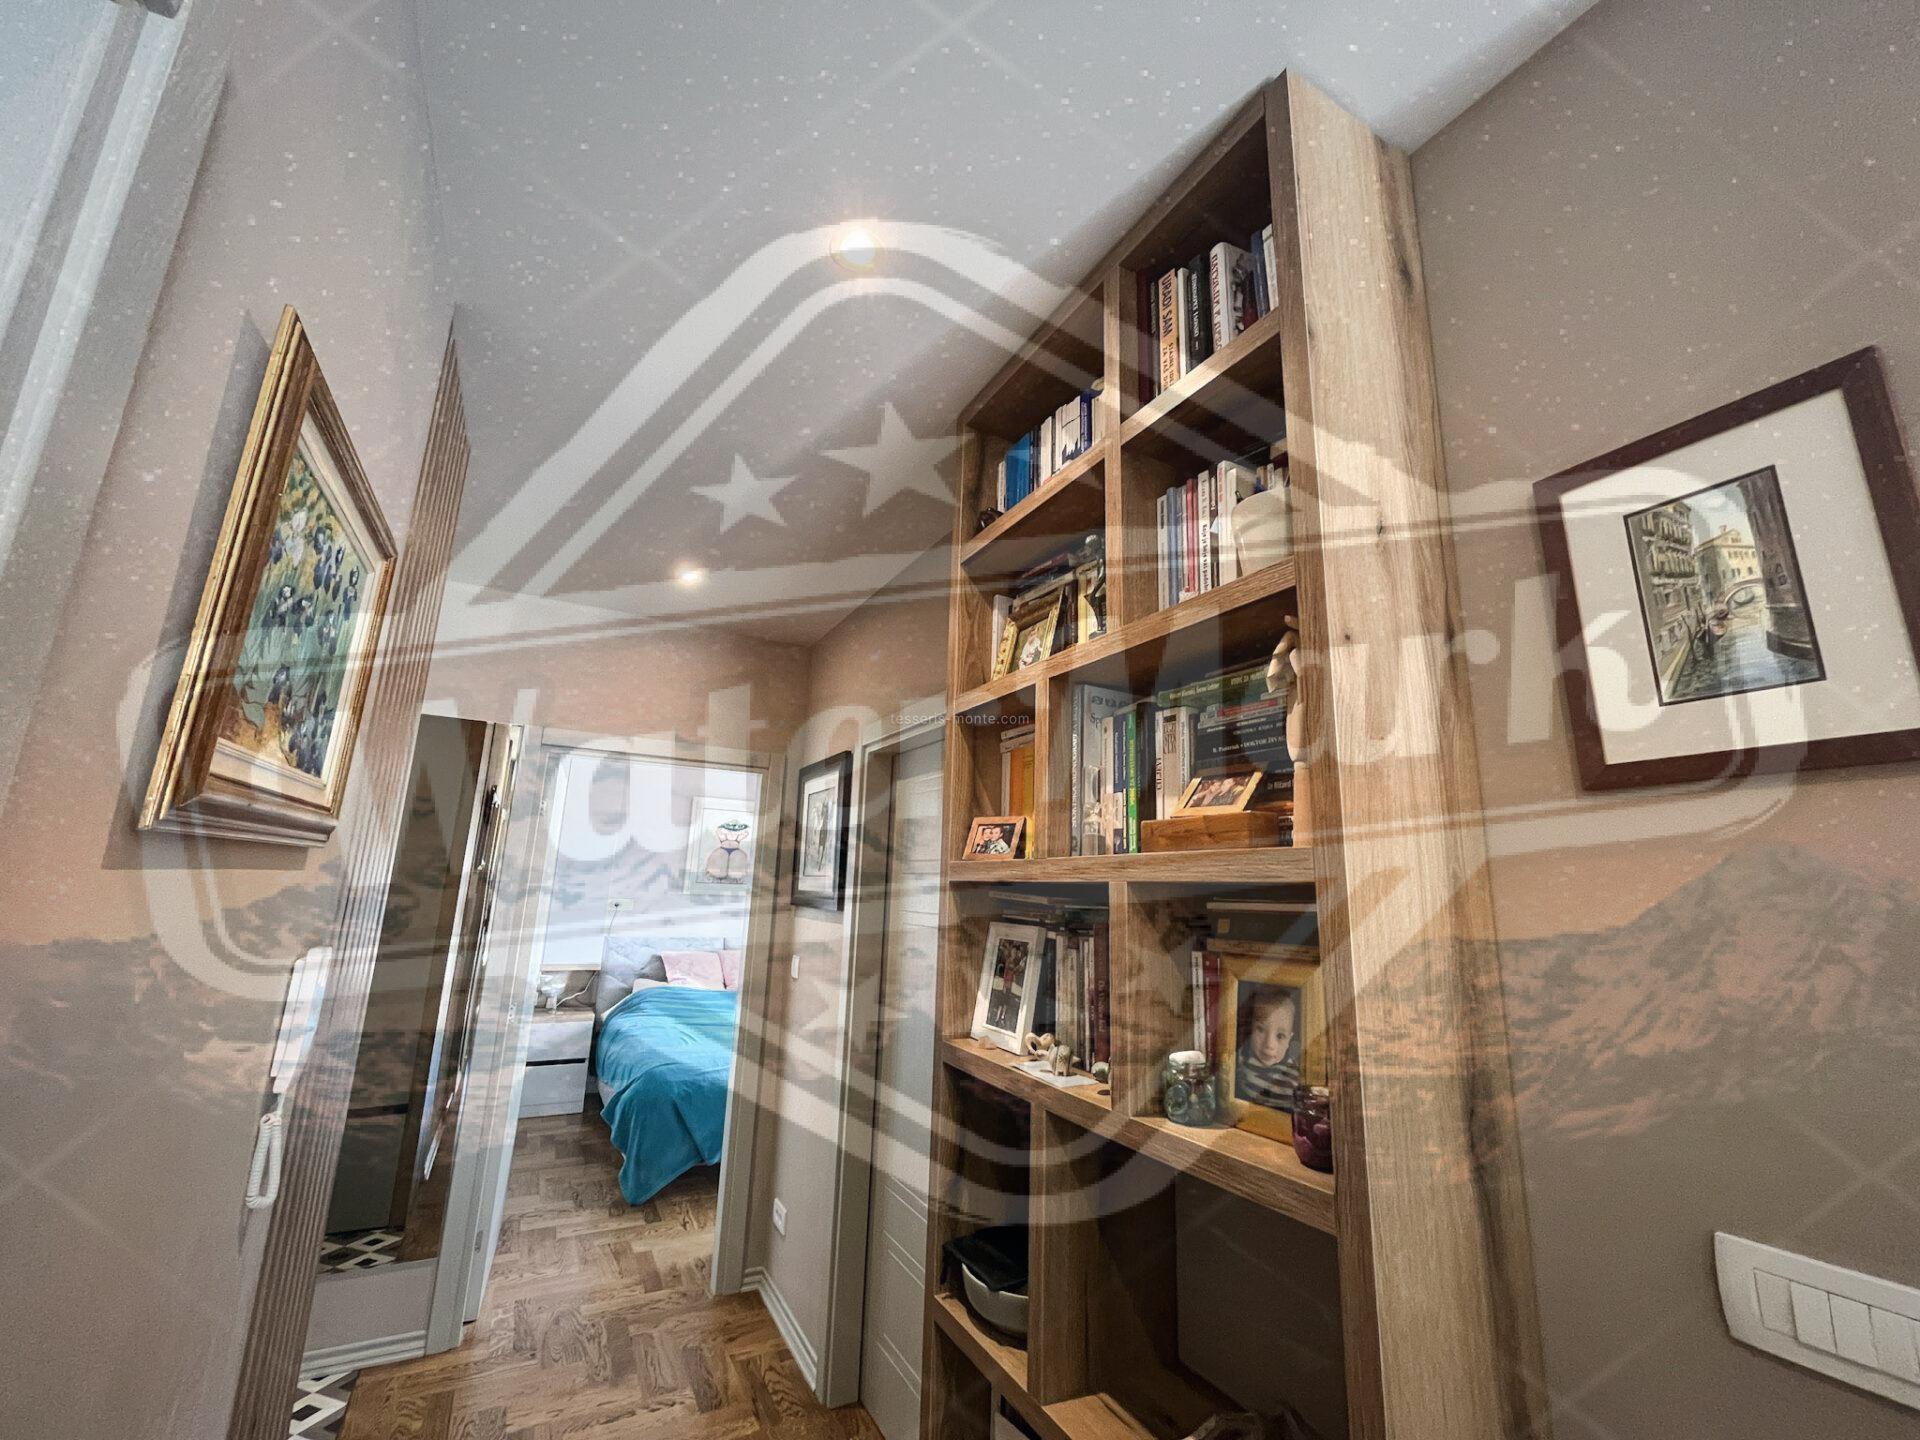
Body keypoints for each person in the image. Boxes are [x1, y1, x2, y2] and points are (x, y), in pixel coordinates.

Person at [1235, 983, 1301, 1107]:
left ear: (1289, 1040)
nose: (1269, 1044)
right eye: (1260, 1030)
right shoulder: (1242, 1057)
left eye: (1280, 1036)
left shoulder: (1294, 1072)